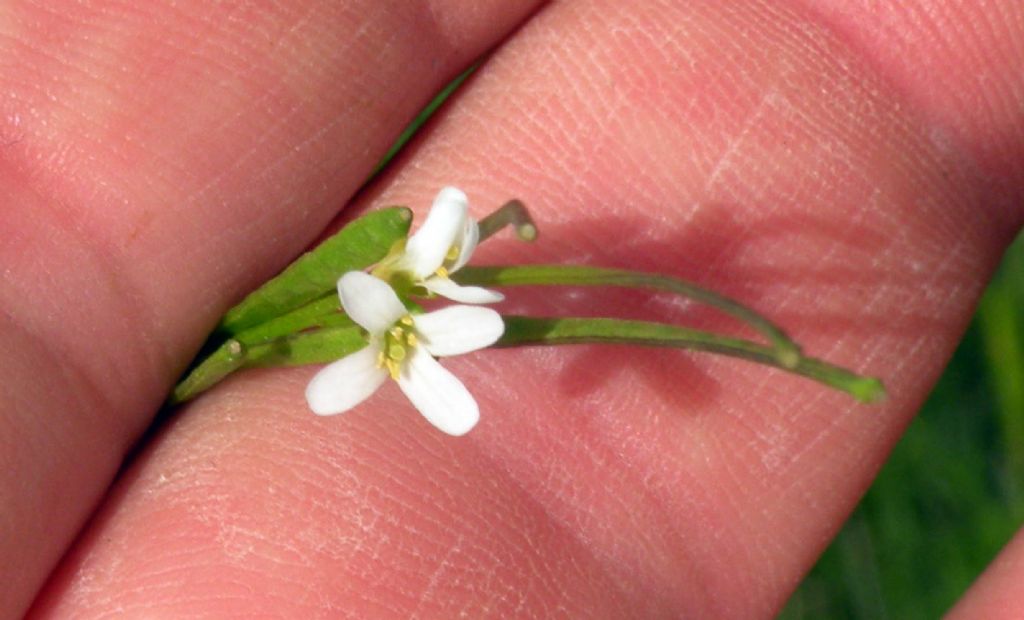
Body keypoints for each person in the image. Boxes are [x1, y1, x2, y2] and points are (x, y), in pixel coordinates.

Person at [3, 1, 1022, 617]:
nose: (398, 334)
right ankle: (808, 361)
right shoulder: (378, 320)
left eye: (397, 333)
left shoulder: (392, 316)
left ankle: (812, 361)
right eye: (397, 333)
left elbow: (406, 309)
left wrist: (420, 301)